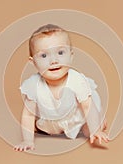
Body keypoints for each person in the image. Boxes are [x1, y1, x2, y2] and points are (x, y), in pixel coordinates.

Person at [14, 24, 109, 152]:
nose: (54, 60)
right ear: (33, 62)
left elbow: (87, 106)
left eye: (60, 52)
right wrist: (27, 140)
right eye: (44, 56)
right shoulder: (34, 85)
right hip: (51, 119)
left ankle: (98, 122)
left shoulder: (77, 81)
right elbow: (28, 115)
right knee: (39, 127)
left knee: (88, 129)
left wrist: (95, 130)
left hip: (76, 115)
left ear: (71, 55)